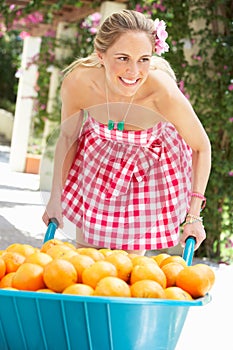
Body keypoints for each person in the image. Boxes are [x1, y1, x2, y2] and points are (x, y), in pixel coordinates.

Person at [42, 9, 211, 255]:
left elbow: (201, 146)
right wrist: (55, 198)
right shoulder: (79, 83)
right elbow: (68, 137)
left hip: (146, 173)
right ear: (101, 55)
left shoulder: (161, 91)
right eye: (123, 58)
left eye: (143, 59)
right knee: (87, 261)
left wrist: (194, 215)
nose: (134, 72)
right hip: (98, 168)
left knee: (126, 269)